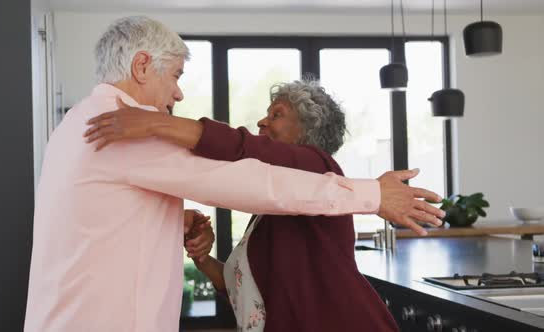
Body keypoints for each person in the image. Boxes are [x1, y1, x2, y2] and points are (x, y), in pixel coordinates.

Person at [23, 16, 439, 332]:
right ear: (142, 66)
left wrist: (171, 217)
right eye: (177, 76)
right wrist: (374, 196)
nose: (179, 92)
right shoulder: (122, 128)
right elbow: (247, 182)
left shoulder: (80, 121)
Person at [84, 79, 445, 331]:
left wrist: (154, 124)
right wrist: (202, 259)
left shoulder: (315, 164)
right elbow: (243, 284)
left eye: (276, 114)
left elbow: (240, 147)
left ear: (306, 131)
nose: (261, 121)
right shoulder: (281, 198)